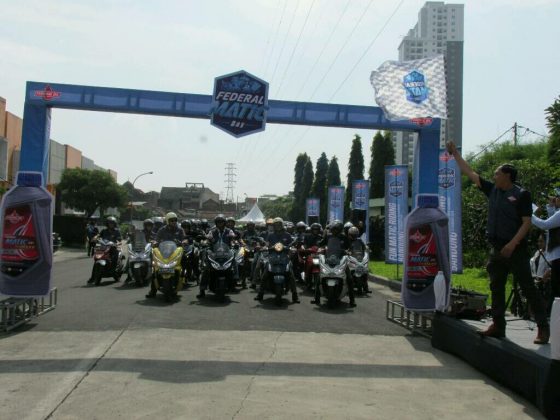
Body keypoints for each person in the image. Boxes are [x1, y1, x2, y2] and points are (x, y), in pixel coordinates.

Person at [446, 141, 549, 344]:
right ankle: (498, 325)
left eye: (497, 173)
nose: (494, 176)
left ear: (507, 176)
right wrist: (455, 153)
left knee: (528, 288)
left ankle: (543, 328)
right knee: (496, 287)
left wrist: (512, 244)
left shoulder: (521, 195)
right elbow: (470, 172)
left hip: (516, 249)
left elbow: (527, 223)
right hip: (497, 248)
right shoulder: (492, 190)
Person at [254, 217, 300, 303]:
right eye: (276, 224)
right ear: (274, 226)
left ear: (282, 225)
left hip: (284, 256)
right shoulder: (271, 235)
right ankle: (260, 294)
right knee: (265, 273)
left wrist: (292, 248)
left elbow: (291, 244)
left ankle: (295, 295)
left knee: (291, 274)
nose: (278, 226)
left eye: (279, 224)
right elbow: (267, 244)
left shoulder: (287, 235)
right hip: (272, 256)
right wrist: (264, 247)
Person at [312, 220, 356, 307]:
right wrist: (319, 246)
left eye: (336, 229)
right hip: (329, 258)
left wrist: (349, 251)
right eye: (333, 229)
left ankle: (352, 300)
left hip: (341, 259)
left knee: (349, 278)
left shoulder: (344, 237)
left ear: (340, 229)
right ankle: (316, 299)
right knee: (319, 276)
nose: (334, 231)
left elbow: (350, 247)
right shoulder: (328, 236)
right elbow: (321, 243)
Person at [531, 192, 560, 314]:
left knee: (557, 289)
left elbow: (545, 225)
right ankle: (552, 314)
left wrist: (528, 214)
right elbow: (552, 224)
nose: (555, 199)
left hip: (558, 257)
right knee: (555, 288)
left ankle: (553, 315)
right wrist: (551, 206)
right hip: (557, 256)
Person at [146, 212, 185, 298]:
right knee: (155, 268)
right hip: (164, 252)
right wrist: (155, 242)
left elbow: (184, 239)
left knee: (186, 258)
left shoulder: (180, 230)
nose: (174, 222)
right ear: (167, 221)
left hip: (176, 251)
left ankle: (184, 275)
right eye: (171, 220)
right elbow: (156, 239)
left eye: (175, 220)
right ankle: (153, 291)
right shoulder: (162, 230)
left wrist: (184, 242)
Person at [197, 214, 236, 298]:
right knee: (206, 269)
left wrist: (234, 243)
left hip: (226, 253)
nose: (220, 223)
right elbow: (208, 239)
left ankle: (235, 281)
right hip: (214, 254)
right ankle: (202, 290)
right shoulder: (212, 231)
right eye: (218, 222)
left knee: (234, 264)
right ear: (216, 223)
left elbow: (233, 239)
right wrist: (204, 243)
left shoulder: (229, 231)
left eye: (221, 221)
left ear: (224, 222)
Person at [87, 216, 122, 284]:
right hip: (104, 247)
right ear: (107, 224)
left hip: (112, 247)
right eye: (109, 223)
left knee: (115, 255)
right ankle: (92, 277)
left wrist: (118, 243)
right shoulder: (104, 231)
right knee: (97, 259)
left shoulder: (117, 231)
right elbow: (98, 235)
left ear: (114, 224)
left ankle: (114, 270)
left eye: (112, 223)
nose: (111, 224)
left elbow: (119, 239)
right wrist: (95, 238)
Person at [530, 233, 552, 308]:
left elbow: (554, 267)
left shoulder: (550, 253)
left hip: (546, 283)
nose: (539, 243)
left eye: (541, 241)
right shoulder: (538, 252)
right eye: (538, 241)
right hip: (536, 281)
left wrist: (548, 272)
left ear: (547, 241)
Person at [348, 226, 371, 294]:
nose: (354, 236)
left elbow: (364, 246)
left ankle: (366, 288)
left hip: (359, 257)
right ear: (349, 234)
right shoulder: (347, 240)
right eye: (352, 235)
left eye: (355, 235)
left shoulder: (359, 240)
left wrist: (367, 248)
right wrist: (346, 251)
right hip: (350, 257)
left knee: (365, 271)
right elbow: (345, 247)